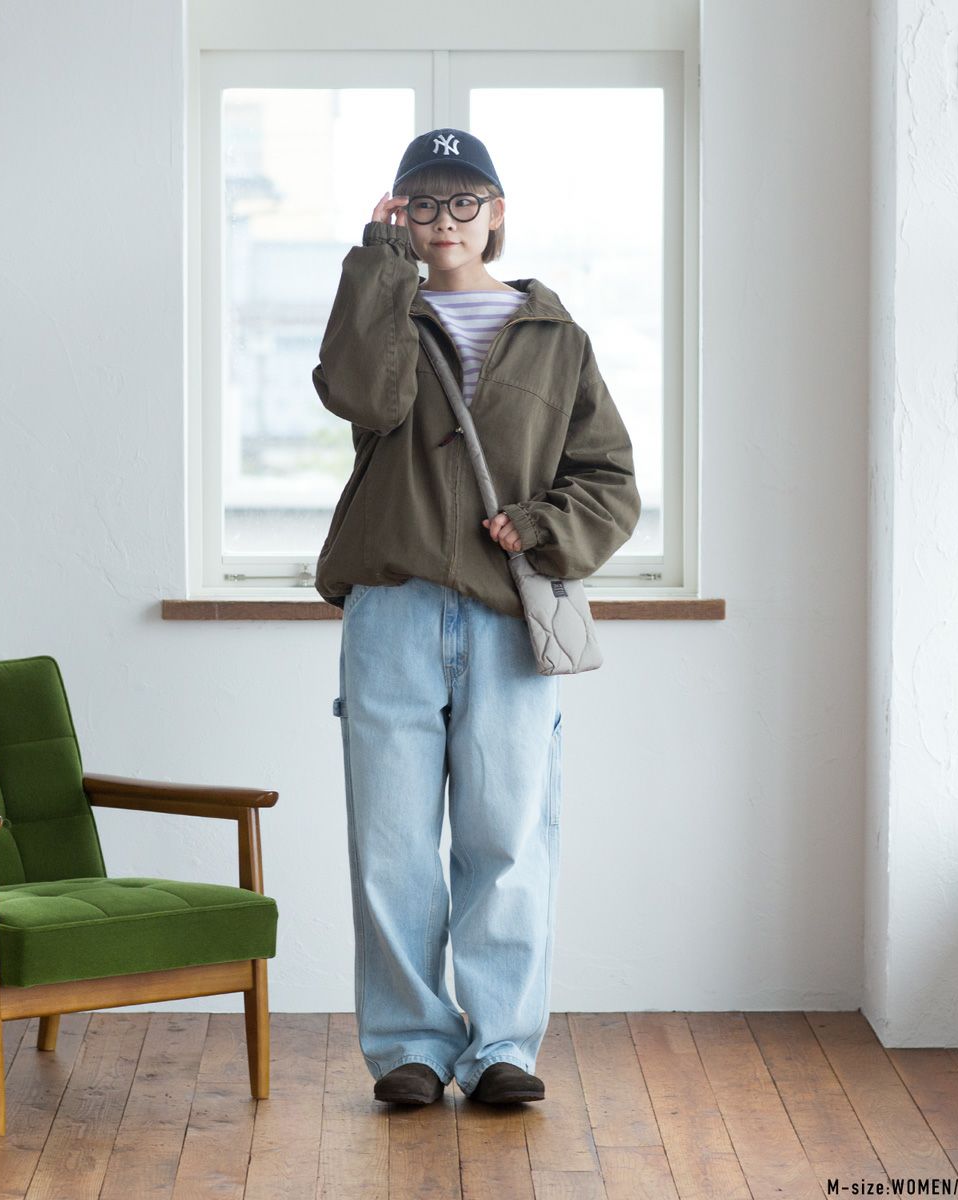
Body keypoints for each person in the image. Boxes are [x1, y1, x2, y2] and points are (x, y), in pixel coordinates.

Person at [313, 128, 641, 1106]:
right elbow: (356, 395)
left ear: (497, 213)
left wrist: (541, 526)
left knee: (508, 840)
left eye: (463, 202)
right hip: (393, 611)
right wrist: (378, 263)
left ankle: (502, 1047)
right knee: (392, 846)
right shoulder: (388, 308)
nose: (444, 221)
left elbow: (611, 480)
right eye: (422, 204)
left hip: (507, 618)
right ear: (401, 215)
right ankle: (410, 1048)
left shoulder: (556, 338)